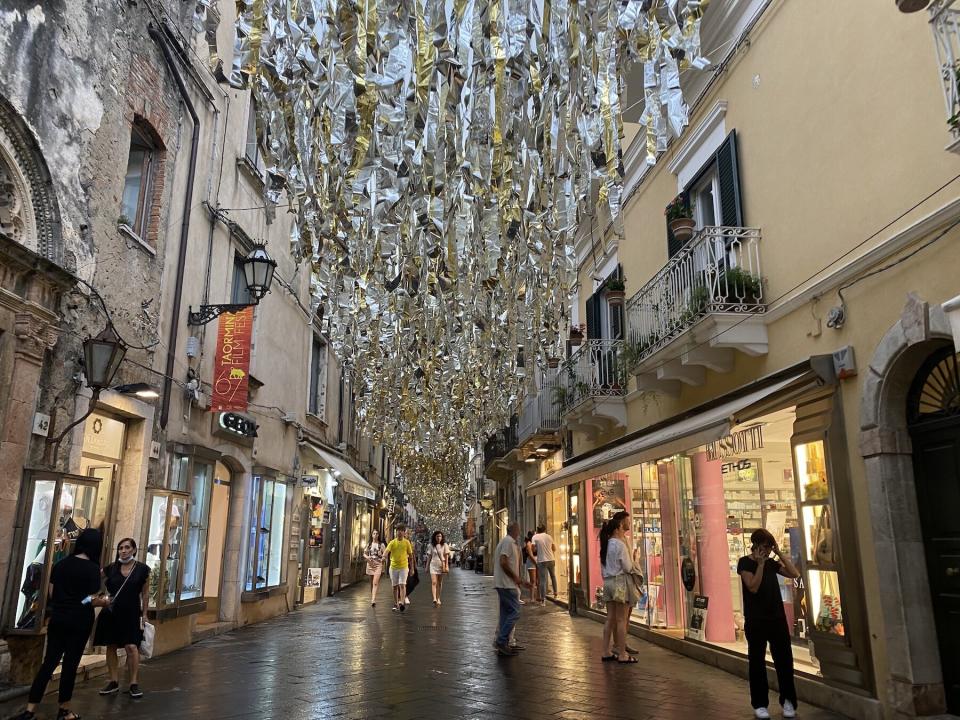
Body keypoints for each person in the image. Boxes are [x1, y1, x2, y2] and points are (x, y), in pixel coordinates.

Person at [13, 529, 110, 720]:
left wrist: (65, 601)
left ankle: (30, 710)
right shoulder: (92, 569)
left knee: (48, 663)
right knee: (70, 665)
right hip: (80, 620)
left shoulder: (61, 564)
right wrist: (103, 601)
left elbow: (51, 593)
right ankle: (64, 710)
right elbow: (88, 599)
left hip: (59, 617)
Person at [738, 528, 801, 719]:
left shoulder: (772, 563)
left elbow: (794, 573)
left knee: (784, 661)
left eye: (769, 546)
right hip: (756, 620)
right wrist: (760, 564)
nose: (767, 550)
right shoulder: (745, 563)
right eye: (765, 546)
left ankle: (789, 700)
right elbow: (753, 587)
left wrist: (779, 553)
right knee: (757, 662)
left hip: (777, 619)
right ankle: (759, 704)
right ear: (756, 545)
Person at [96, 537, 150, 699]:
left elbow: (145, 594)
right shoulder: (110, 568)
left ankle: (133, 683)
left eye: (127, 547)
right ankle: (113, 681)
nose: (124, 551)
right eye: (120, 548)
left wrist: (145, 614)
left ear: (134, 550)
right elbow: (95, 582)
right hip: (111, 612)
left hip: (131, 612)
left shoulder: (142, 569)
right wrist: (101, 598)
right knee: (111, 645)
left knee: (132, 647)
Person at [600, 511, 639, 664]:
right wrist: (635, 559)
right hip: (620, 583)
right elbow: (628, 567)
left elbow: (603, 568)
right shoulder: (620, 545)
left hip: (608, 582)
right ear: (618, 528)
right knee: (621, 620)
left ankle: (605, 651)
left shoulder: (607, 544)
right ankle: (622, 653)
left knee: (609, 618)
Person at [491, 522, 530, 656]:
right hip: (506, 584)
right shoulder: (508, 542)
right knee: (515, 612)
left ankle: (502, 641)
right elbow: (503, 561)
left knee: (505, 614)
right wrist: (515, 578)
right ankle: (502, 640)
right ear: (514, 530)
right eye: (518, 529)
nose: (520, 531)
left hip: (504, 584)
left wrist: (520, 581)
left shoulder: (508, 542)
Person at [384, 524, 414, 612]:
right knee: (394, 586)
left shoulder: (407, 542)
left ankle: (401, 603)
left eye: (401, 530)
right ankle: (396, 603)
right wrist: (383, 556)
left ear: (404, 533)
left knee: (402, 584)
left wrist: (411, 568)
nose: (399, 532)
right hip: (393, 568)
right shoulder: (392, 542)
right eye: (398, 530)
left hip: (403, 567)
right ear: (396, 532)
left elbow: (411, 556)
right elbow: (386, 551)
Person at [531, 524, 558, 604]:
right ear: (545, 529)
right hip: (551, 559)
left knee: (542, 580)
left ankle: (543, 600)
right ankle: (555, 594)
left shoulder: (535, 537)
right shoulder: (549, 537)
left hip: (541, 560)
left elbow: (533, 549)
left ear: (537, 530)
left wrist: (538, 548)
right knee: (553, 576)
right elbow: (554, 548)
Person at [427, 531, 450, 607]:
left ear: (442, 537)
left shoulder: (445, 545)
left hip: (441, 565)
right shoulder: (431, 545)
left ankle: (438, 598)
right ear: (434, 537)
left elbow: (446, 557)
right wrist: (427, 566)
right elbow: (429, 557)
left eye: (440, 536)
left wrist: (446, 566)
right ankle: (434, 598)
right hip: (433, 565)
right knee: (434, 582)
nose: (439, 538)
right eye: (437, 536)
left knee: (439, 583)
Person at [363, 530, 386, 607]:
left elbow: (385, 555)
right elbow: (364, 554)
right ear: (372, 535)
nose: (375, 535)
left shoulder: (381, 545)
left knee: (375, 582)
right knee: (372, 582)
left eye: (376, 534)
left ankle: (373, 600)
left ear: (378, 535)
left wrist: (382, 557)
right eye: (374, 534)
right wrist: (368, 557)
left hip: (378, 565)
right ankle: (372, 597)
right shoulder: (369, 544)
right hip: (370, 564)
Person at [522, 531, 539, 603]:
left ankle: (538, 596)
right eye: (535, 535)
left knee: (538, 580)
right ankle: (532, 598)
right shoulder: (529, 543)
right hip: (532, 563)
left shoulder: (535, 543)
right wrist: (536, 563)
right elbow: (530, 555)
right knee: (533, 581)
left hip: (537, 562)